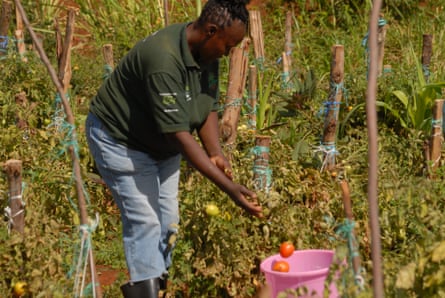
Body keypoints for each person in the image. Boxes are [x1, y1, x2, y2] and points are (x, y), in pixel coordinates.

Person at [85, 0, 263, 296]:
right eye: (228, 45)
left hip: (160, 142)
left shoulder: (208, 53)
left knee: (168, 223)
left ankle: (158, 288)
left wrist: (215, 152)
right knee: (146, 222)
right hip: (121, 140)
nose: (228, 52)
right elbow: (178, 136)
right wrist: (231, 189)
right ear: (211, 30)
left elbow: (206, 106)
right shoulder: (163, 60)